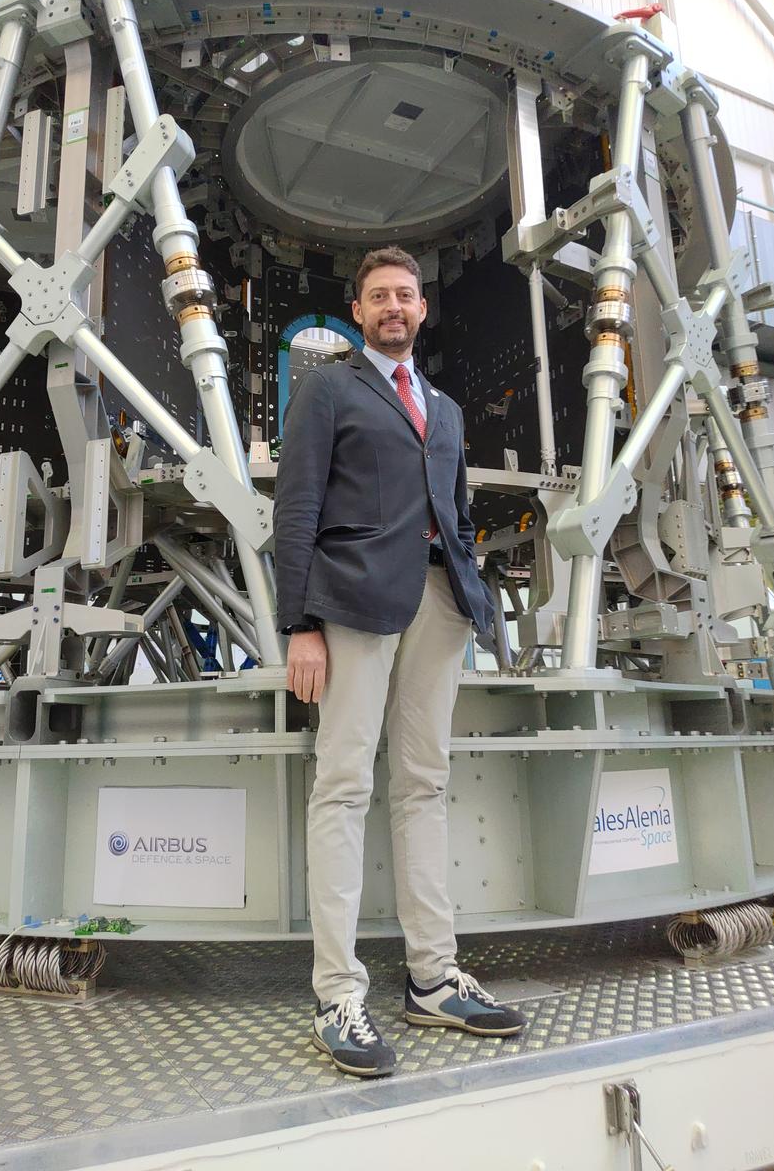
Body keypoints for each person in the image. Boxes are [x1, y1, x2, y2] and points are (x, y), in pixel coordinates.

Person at [273, 246, 526, 1078]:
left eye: (406, 296)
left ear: (423, 310)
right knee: (343, 783)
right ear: (358, 309)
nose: (394, 307)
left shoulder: (445, 409)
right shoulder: (329, 389)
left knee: (424, 782)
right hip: (352, 605)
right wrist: (298, 624)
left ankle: (432, 979)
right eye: (379, 295)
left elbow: (452, 512)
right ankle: (338, 995)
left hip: (438, 604)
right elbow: (298, 505)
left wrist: (474, 598)